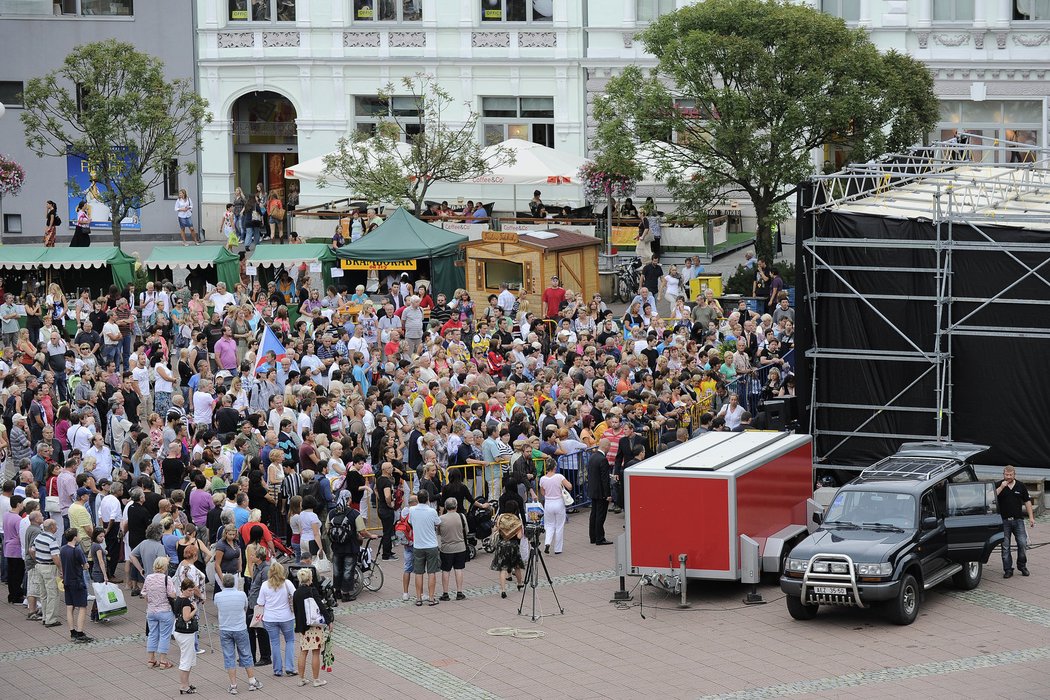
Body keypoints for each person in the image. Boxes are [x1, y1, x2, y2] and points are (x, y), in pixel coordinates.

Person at [215, 572, 263, 694]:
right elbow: (245, 608)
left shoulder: (218, 596)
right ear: (234, 583)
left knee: (229, 656)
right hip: (240, 628)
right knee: (246, 654)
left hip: (225, 628)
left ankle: (233, 685)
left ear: (223, 584)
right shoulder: (242, 595)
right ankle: (252, 681)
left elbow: (218, 608)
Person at [291, 567, 332, 688]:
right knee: (315, 652)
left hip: (303, 627)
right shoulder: (312, 591)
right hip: (314, 625)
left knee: (303, 652)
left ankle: (301, 678)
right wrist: (329, 621)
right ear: (310, 578)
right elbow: (321, 606)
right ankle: (316, 679)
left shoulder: (296, 593)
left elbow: (296, 610)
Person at [257, 560, 297, 678]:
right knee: (289, 641)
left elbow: (260, 602)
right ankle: (290, 667)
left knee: (274, 643)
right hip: (286, 617)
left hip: (270, 618)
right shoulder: (287, 583)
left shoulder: (265, 585)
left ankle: (277, 669)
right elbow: (295, 595)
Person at [996, 465, 1035, 578]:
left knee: (1022, 543)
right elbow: (990, 497)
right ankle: (1008, 569)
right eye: (1006, 475)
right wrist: (1001, 487)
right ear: (1003, 474)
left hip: (1018, 520)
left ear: (1014, 475)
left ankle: (1022, 565)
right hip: (1004, 521)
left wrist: (1031, 517)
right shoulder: (999, 484)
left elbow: (1027, 502)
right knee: (1005, 546)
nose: (1008, 477)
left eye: (1010, 475)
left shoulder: (1020, 486)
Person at [142, 555, 177, 669]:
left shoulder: (148, 578)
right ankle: (163, 661)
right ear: (165, 567)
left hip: (151, 611)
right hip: (165, 610)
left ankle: (151, 660)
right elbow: (172, 594)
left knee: (152, 634)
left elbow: (144, 594)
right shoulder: (167, 579)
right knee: (164, 635)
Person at [59, 527, 93, 643]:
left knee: (70, 607)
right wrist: (86, 565)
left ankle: (72, 631)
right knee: (82, 607)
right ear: (75, 538)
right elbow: (85, 565)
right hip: (77, 582)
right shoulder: (77, 550)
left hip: (67, 582)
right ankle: (80, 632)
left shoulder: (63, 549)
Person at [408, 489, 442, 606]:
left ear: (417, 499)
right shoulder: (432, 511)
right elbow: (438, 523)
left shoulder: (412, 510)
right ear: (427, 499)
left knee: (419, 572)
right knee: (432, 572)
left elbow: (410, 522)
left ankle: (418, 598)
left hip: (418, 545)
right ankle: (431, 598)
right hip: (431, 544)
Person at [490, 499, 525, 598]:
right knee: (517, 566)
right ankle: (519, 583)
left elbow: (495, 529)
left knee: (503, 568)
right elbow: (519, 537)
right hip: (513, 545)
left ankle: (503, 590)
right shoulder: (517, 520)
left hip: (502, 544)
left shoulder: (501, 517)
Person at [172, 577, 201, 694]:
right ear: (183, 589)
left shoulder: (179, 599)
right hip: (185, 633)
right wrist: (195, 609)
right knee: (186, 659)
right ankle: (183, 685)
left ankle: (186, 683)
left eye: (192, 590)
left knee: (188, 658)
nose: (191, 592)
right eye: (189, 590)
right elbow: (186, 617)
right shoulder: (186, 602)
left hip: (179, 631)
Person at [436, 497, 469, 601]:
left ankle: (445, 593)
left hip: (446, 548)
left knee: (445, 570)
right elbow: (466, 531)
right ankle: (459, 592)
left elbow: (438, 532)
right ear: (456, 506)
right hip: (460, 547)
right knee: (459, 569)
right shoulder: (461, 516)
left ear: (446, 507)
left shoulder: (441, 518)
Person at [539, 458, 571, 554]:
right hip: (558, 502)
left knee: (549, 525)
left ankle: (547, 542)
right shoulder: (559, 477)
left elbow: (542, 492)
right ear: (554, 467)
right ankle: (557, 549)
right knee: (559, 525)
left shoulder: (542, 479)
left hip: (548, 503)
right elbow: (569, 486)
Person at [587, 439, 612, 545]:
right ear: (606, 446)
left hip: (593, 490)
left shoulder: (592, 457)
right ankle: (600, 538)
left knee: (594, 514)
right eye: (609, 447)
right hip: (601, 492)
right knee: (600, 515)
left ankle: (593, 536)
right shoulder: (603, 459)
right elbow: (604, 479)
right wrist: (608, 494)